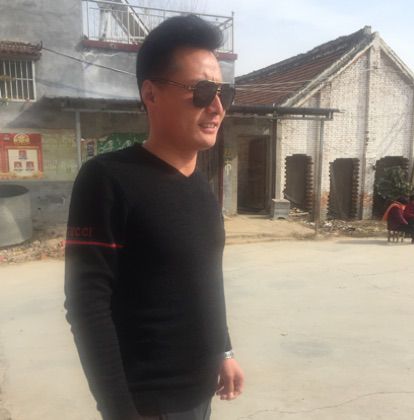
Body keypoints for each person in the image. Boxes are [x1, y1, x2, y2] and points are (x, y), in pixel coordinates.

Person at [64, 14, 244, 420]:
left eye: (224, 93)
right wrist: (119, 411)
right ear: (151, 93)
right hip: (148, 405)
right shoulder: (108, 178)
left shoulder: (201, 186)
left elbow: (205, 281)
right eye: (202, 91)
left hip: (201, 393)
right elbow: (87, 305)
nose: (217, 107)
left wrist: (224, 351)